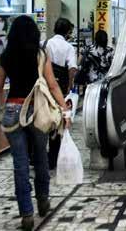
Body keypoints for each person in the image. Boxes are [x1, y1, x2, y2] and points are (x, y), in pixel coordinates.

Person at [0, 15, 71, 230]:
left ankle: (27, 214)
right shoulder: (40, 54)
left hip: (13, 110)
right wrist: (64, 109)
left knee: (20, 164)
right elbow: (53, 84)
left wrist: (4, 106)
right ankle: (43, 200)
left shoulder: (6, 56)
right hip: (37, 111)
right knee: (40, 157)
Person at [44, 18, 77, 169]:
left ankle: (38, 154)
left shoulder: (45, 44)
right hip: (60, 87)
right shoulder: (69, 47)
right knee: (57, 119)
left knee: (43, 115)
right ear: (67, 32)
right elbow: (72, 68)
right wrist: (70, 84)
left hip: (44, 86)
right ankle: (54, 155)